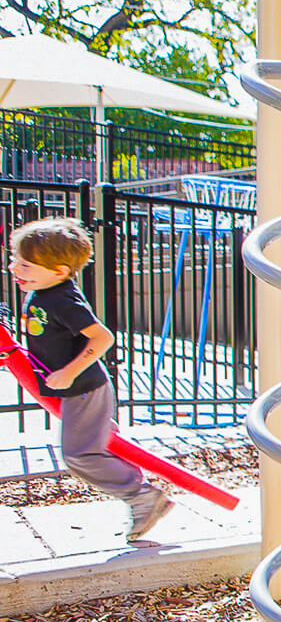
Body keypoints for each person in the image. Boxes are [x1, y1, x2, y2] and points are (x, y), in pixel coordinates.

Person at [6, 219, 175, 540]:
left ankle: (141, 496)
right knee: (90, 448)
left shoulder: (62, 300)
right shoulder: (42, 289)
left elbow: (102, 338)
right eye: (15, 259)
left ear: (58, 271)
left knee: (78, 456)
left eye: (25, 264)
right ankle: (131, 481)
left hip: (83, 389)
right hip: (75, 391)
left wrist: (68, 372)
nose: (14, 267)